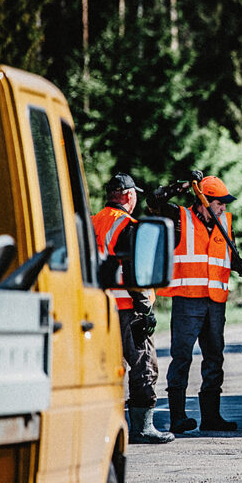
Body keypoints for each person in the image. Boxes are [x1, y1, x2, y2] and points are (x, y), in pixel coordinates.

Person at [146, 171, 242, 434]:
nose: (223, 207)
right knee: (181, 357)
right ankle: (178, 418)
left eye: (224, 203)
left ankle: (211, 417)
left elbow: (226, 254)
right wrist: (181, 185)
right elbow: (153, 201)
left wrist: (238, 264)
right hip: (187, 300)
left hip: (215, 302)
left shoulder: (225, 221)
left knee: (214, 357)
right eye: (218, 203)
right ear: (203, 201)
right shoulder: (180, 218)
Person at [92, 173, 174, 444]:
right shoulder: (126, 225)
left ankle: (102, 427)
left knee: (108, 368)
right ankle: (142, 428)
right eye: (135, 194)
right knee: (143, 366)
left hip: (101, 308)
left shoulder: (93, 223)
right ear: (128, 196)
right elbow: (133, 271)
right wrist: (145, 310)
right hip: (129, 308)